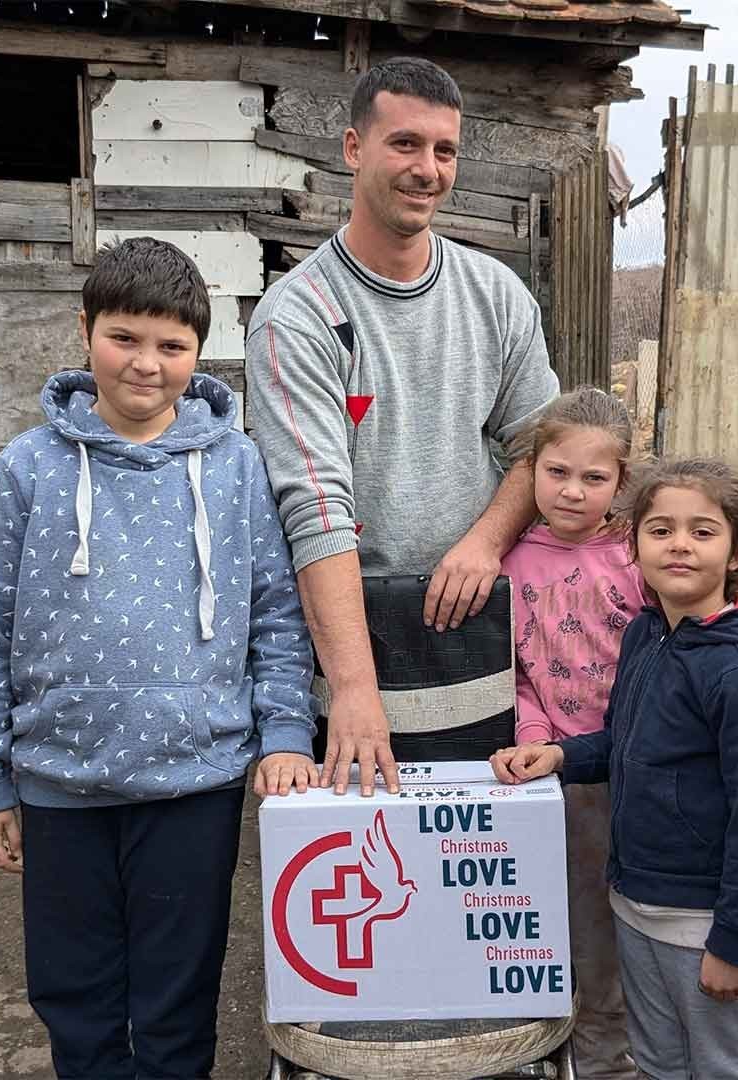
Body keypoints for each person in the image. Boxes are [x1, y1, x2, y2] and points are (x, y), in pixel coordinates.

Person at [0, 237, 319, 1079]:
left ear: (198, 351)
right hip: (59, 782)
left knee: (178, 1000)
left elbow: (276, 615)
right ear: (85, 332)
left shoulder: (235, 466)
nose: (146, 364)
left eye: (172, 345)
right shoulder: (27, 468)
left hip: (195, 781)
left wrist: (287, 732)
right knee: (76, 998)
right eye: (125, 337)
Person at [246, 56, 560, 796]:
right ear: (354, 149)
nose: (428, 169)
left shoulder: (497, 296)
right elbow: (314, 505)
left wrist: (485, 540)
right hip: (354, 628)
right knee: (372, 865)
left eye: (444, 150)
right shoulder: (298, 317)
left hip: (484, 627)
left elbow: (544, 444)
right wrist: (355, 689)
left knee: (481, 863)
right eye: (405, 144)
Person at [490, 458, 738, 1080]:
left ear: (736, 552)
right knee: (659, 1063)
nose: (680, 544)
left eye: (702, 531)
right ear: (633, 548)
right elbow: (628, 740)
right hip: (637, 903)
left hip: (703, 921)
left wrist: (734, 944)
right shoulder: (647, 635)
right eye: (660, 530)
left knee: (718, 1066)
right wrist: (559, 755)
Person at [500, 387, 646, 1078]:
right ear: (530, 469)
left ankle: (638, 1057)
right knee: (579, 929)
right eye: (558, 472)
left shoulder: (638, 556)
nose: (573, 491)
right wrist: (534, 736)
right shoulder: (509, 564)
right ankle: (587, 1061)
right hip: (563, 779)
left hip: (644, 771)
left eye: (595, 477)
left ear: (621, 482)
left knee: (640, 925)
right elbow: (517, 675)